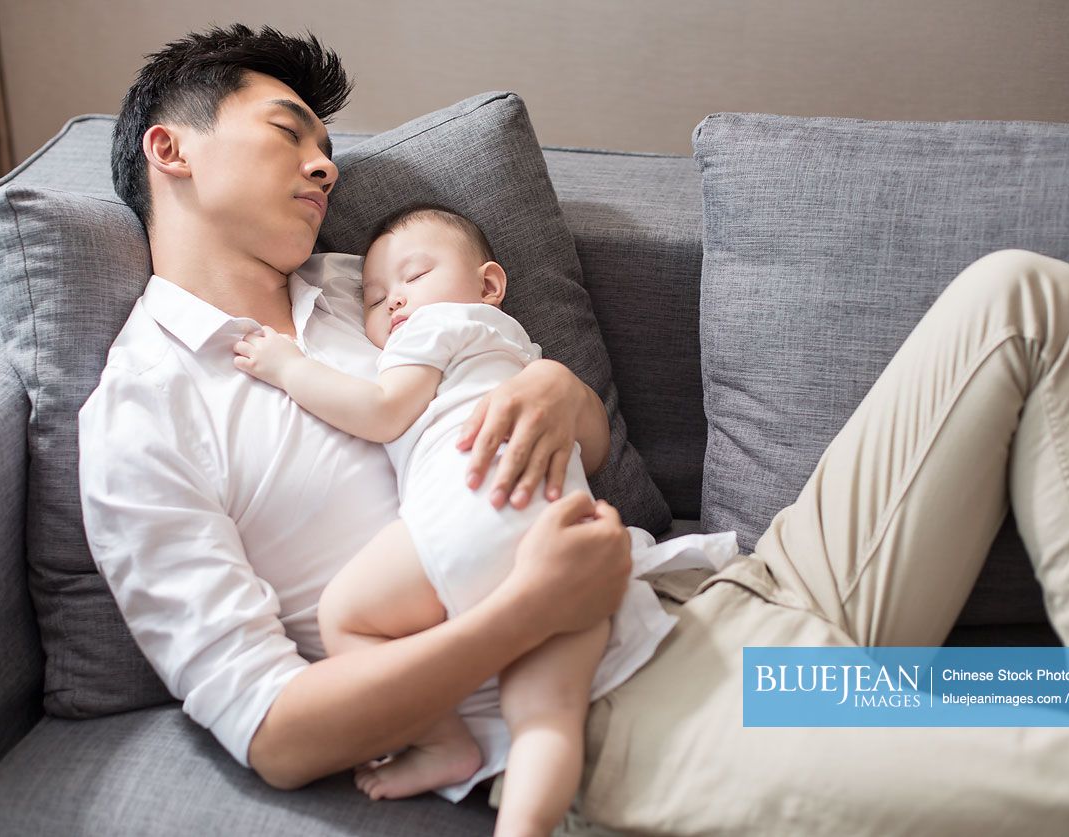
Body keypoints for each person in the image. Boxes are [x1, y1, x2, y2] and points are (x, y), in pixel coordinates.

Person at [80, 22, 1069, 836]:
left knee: (1024, 299)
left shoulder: (373, 283)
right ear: (172, 152)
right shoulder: (142, 420)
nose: (325, 166)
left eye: (327, 146)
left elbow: (569, 437)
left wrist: (563, 396)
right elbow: (273, 733)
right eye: (289, 134)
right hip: (629, 701)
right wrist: (523, 616)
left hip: (738, 589)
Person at [230, 204, 728, 833]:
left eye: (415, 276)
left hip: (472, 516)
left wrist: (288, 367)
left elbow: (382, 412)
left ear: (489, 286)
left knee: (348, 616)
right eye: (377, 298)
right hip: (567, 540)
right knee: (547, 721)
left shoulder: (439, 327)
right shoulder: (516, 350)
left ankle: (442, 742)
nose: (395, 304)